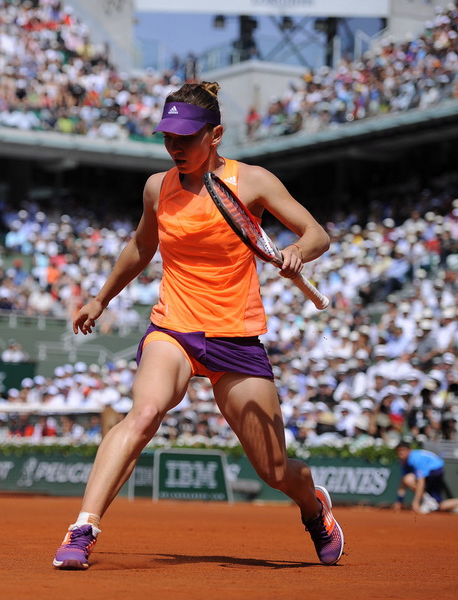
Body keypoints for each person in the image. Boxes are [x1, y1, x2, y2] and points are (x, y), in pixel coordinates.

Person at [52, 81, 342, 570]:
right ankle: (83, 527)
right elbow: (142, 247)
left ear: (216, 135)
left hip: (236, 336)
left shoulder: (253, 181)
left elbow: (317, 234)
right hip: (174, 327)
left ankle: (314, 509)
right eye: (169, 137)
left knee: (273, 470)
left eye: (186, 137)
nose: (175, 147)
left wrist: (296, 252)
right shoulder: (156, 187)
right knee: (143, 414)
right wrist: (102, 298)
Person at [393, 440, 458, 514]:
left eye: (402, 450)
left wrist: (415, 502)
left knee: (409, 479)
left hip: (435, 471)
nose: (400, 453)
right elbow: (403, 483)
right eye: (398, 451)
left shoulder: (415, 458)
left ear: (409, 450)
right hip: (432, 472)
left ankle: (428, 501)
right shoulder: (404, 462)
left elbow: (421, 481)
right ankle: (430, 501)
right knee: (438, 506)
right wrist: (399, 501)